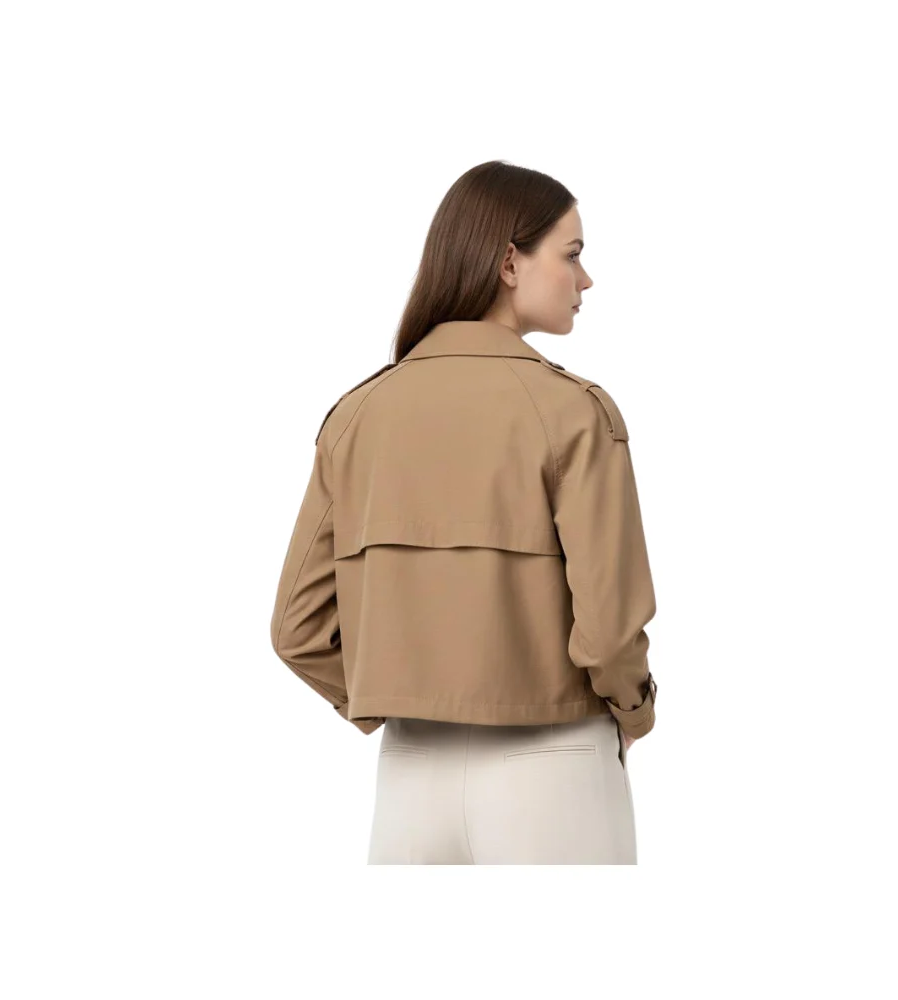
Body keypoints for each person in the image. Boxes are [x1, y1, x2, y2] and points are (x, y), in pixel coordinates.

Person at [269, 159, 659, 864]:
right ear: (509, 263)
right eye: (572, 255)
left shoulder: (357, 415)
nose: (586, 280)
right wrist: (636, 711)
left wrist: (396, 686)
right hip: (554, 764)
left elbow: (297, 630)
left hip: (410, 772)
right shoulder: (574, 411)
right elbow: (607, 632)